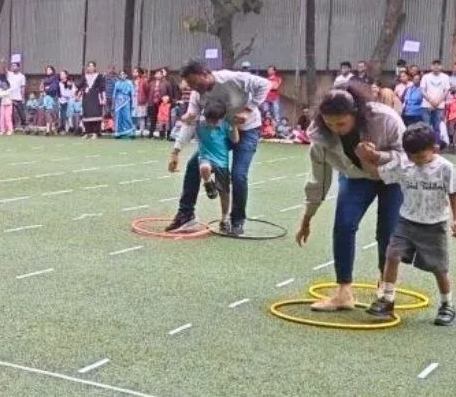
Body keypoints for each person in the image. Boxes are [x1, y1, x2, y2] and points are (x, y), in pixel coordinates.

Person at [293, 83, 405, 311]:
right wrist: (307, 218)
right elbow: (318, 179)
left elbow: (408, 158)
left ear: (355, 114)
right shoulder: (319, 135)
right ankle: (344, 293)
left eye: (341, 123)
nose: (335, 129)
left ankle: (385, 286)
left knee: (387, 232)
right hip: (355, 177)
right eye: (329, 123)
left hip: (393, 178)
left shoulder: (386, 119)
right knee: (343, 226)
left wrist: (377, 157)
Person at [358, 123, 456, 326]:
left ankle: (447, 304)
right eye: (411, 156)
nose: (416, 160)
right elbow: (377, 173)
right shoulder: (405, 165)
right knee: (392, 255)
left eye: (421, 156)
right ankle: (387, 298)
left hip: (434, 225)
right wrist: (364, 156)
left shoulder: (445, 168)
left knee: (439, 268)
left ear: (434, 148)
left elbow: (454, 195)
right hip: (406, 221)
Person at [166, 62, 271, 236]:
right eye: (190, 85)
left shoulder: (231, 79)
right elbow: (191, 122)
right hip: (220, 134)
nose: (193, 88)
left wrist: (248, 110)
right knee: (193, 165)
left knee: (238, 175)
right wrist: (175, 151)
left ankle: (236, 220)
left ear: (204, 74)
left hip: (247, 130)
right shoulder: (197, 95)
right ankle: (186, 214)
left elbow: (265, 84)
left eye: (194, 83)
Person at [196, 98, 240, 232]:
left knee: (224, 192)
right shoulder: (200, 125)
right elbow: (189, 127)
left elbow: (235, 140)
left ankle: (225, 218)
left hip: (222, 162)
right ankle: (208, 184)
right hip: (206, 157)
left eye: (214, 121)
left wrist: (234, 126)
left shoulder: (226, 126)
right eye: (208, 119)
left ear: (221, 118)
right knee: (204, 167)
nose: (211, 123)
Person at [422, 60, 451, 145]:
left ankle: (436, 144)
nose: (436, 67)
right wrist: (431, 101)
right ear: (431, 66)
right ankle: (426, 145)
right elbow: (422, 90)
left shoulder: (445, 77)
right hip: (427, 105)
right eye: (434, 65)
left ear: (441, 67)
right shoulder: (426, 77)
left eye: (438, 65)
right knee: (426, 127)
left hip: (439, 106)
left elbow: (446, 91)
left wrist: (437, 102)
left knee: (437, 127)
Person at [81, 62, 105, 139]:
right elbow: (80, 86)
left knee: (95, 114)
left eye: (92, 66)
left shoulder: (99, 76)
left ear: (95, 68)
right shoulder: (84, 76)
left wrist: (103, 98)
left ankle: (95, 133)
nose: (90, 68)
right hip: (86, 98)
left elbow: (102, 88)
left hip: (96, 97)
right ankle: (88, 132)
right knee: (86, 114)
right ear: (87, 68)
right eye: (89, 66)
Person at [112, 68, 136, 138]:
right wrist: (113, 104)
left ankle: (129, 132)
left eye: (123, 74)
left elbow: (133, 94)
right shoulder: (117, 83)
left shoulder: (129, 83)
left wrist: (133, 104)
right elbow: (114, 94)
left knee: (127, 116)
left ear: (126, 75)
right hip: (118, 102)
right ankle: (118, 132)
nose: (122, 76)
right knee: (118, 116)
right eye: (120, 74)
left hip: (126, 101)